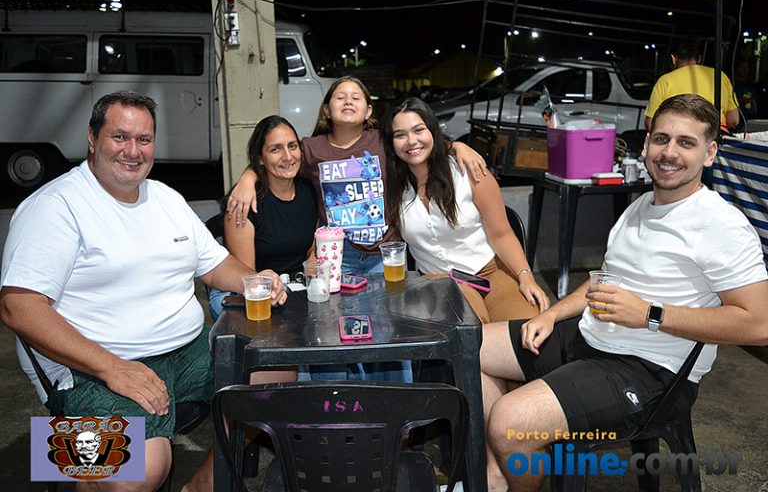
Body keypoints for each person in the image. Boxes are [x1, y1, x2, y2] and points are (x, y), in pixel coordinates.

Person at [0, 91, 286, 492]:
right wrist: (112, 368)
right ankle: (71, 463)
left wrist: (253, 280)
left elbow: (215, 263)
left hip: (185, 352)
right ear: (92, 138)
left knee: (276, 371)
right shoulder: (54, 206)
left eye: (144, 139)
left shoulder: (166, 198)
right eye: (120, 137)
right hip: (91, 367)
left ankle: (201, 485)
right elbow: (17, 307)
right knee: (142, 470)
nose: (133, 151)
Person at [480, 94, 768, 491]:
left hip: (651, 369)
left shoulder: (722, 225)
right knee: (469, 348)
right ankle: (498, 473)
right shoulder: (641, 206)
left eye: (686, 142)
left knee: (510, 422)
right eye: (662, 139)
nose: (669, 152)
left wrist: (650, 314)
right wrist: (551, 314)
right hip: (591, 337)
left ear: (710, 153)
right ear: (646, 144)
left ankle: (513, 468)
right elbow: (605, 280)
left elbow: (759, 325)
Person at [226, 76, 488, 276]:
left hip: (386, 251)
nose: (348, 101)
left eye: (356, 97)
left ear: (369, 111)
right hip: (339, 253)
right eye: (340, 97)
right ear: (327, 110)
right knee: (342, 317)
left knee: (386, 316)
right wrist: (249, 178)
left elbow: (418, 146)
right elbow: (281, 161)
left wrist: (457, 146)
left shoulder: (383, 142)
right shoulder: (311, 148)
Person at [381, 97, 550, 323]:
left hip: (491, 272)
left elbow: (502, 234)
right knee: (469, 331)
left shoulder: (467, 171)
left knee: (526, 327)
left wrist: (526, 277)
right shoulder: (390, 188)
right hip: (439, 281)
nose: (411, 141)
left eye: (418, 130)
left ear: (432, 131)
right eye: (400, 135)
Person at [208, 115, 317, 321]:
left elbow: (312, 248)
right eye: (275, 149)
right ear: (260, 158)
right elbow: (245, 277)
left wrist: (313, 260)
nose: (288, 156)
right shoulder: (243, 203)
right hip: (249, 290)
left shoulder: (308, 189)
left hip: (294, 288)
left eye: (292, 146)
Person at [644, 38, 739, 131]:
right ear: (699, 58)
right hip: (714, 135)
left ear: (673, 59)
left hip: (679, 135)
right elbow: (733, 120)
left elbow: (650, 123)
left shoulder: (665, 80)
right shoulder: (720, 76)